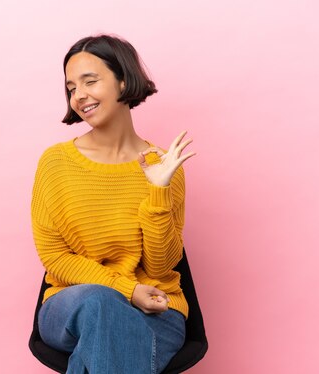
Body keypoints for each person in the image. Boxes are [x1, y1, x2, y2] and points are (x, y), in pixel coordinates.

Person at [31, 34, 197, 374]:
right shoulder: (55, 163)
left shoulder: (163, 166)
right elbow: (55, 258)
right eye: (71, 87)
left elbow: (163, 267)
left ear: (123, 79)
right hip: (72, 306)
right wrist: (127, 289)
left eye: (90, 81)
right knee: (101, 306)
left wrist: (158, 192)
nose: (79, 95)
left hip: (156, 312)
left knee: (107, 344)